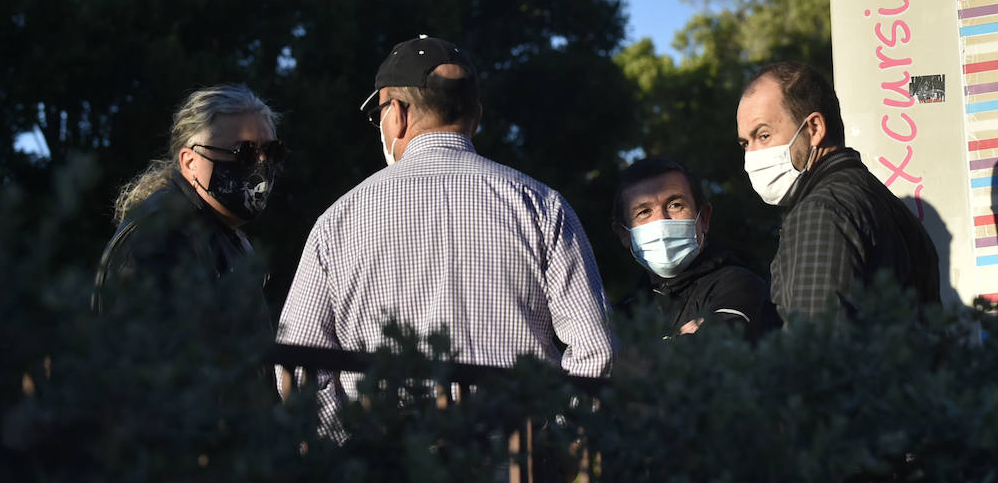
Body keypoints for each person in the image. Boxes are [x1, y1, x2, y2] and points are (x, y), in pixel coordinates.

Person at [276, 35, 614, 431]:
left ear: (397, 113)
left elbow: (297, 365)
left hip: (386, 458)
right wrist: (552, 441)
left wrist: (350, 446)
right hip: (516, 457)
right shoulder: (542, 206)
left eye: (379, 114)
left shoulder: (338, 220)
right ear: (477, 117)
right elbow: (596, 353)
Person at [735, 61, 939, 323]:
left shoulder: (820, 213)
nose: (752, 156)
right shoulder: (883, 202)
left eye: (763, 136)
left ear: (815, 128)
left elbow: (814, 348)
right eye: (745, 144)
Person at [92, 83, 285, 321]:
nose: (262, 163)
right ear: (190, 162)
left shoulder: (221, 235)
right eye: (244, 151)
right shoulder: (159, 236)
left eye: (272, 151)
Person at [612, 156, 777, 339]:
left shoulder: (740, 287)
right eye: (644, 212)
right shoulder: (620, 316)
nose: (661, 220)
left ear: (704, 218)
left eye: (675, 205)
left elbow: (716, 352)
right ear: (624, 234)